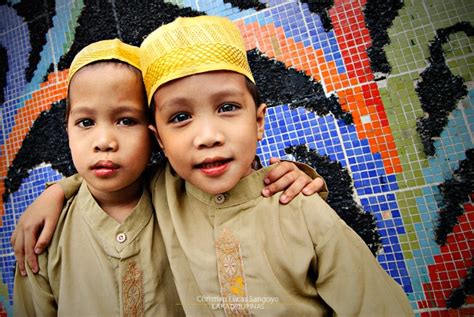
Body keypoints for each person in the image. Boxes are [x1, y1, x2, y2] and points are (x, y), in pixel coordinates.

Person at [137, 16, 413, 316]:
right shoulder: (155, 200)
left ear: (258, 121)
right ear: (159, 139)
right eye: (180, 117)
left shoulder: (298, 206)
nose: (208, 137)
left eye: (227, 108)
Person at [13, 39, 184, 316]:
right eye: (86, 122)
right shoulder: (43, 236)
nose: (104, 142)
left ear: (154, 132)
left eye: (126, 120)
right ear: (67, 130)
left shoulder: (184, 200)